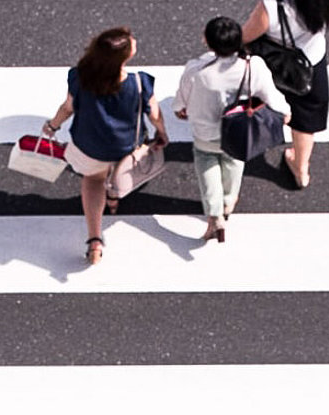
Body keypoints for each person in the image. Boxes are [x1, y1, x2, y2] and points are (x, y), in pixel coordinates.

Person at [42, 27, 168, 265]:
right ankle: (114, 195)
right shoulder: (139, 83)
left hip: (89, 144)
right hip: (127, 146)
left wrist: (53, 126)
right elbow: (155, 115)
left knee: (93, 180)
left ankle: (94, 239)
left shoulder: (81, 77)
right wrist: (162, 133)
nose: (135, 41)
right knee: (118, 171)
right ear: (126, 57)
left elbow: (68, 107)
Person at [175, 16, 291, 242]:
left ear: (208, 43)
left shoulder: (196, 69)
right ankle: (228, 202)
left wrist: (179, 108)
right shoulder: (252, 67)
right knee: (234, 163)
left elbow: (182, 99)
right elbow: (271, 96)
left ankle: (214, 214)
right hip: (238, 131)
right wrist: (284, 113)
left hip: (205, 132)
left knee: (206, 164)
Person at [241, 0, 329, 189]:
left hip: (273, 65)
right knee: (305, 120)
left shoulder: (271, 7)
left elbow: (246, 36)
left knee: (257, 103)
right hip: (309, 64)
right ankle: (301, 169)